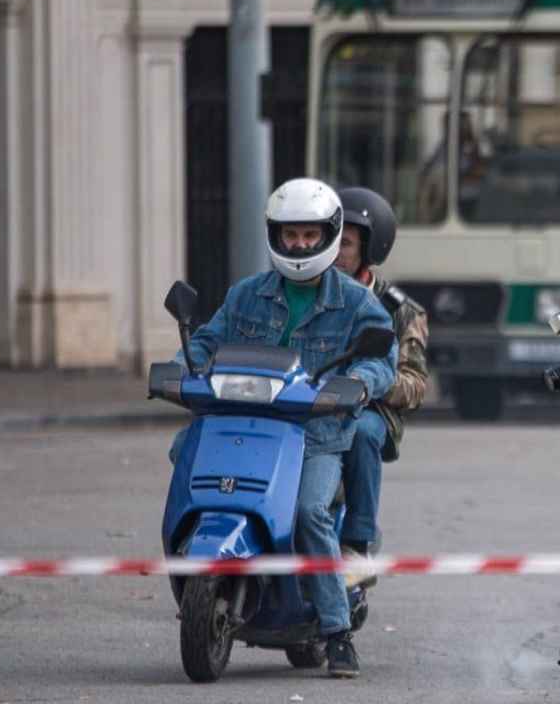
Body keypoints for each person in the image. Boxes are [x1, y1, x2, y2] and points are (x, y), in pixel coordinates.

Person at [172, 178, 397, 678]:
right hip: (240, 423)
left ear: (329, 236)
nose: (299, 245)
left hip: (314, 436)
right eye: (290, 235)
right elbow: (207, 341)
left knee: (308, 512)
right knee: (182, 455)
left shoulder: (357, 303)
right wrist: (180, 366)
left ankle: (337, 635)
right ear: (276, 235)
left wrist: (358, 381)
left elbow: (385, 361)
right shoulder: (247, 294)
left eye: (308, 236)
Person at [333, 187, 430, 587]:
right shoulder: (309, 291)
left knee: (360, 434)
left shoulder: (399, 310)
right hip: (303, 404)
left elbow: (415, 384)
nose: (335, 250)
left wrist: (368, 385)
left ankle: (357, 542)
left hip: (370, 411)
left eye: (347, 243)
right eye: (331, 237)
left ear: (370, 248)